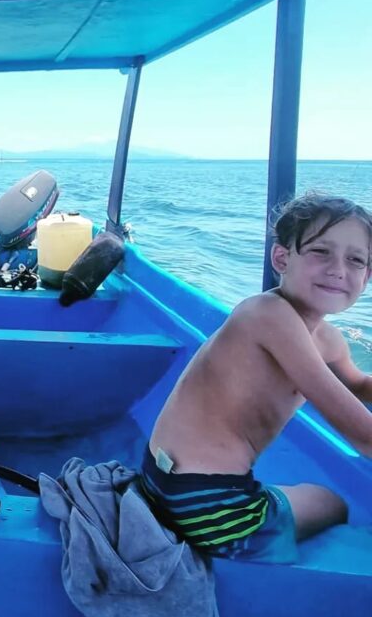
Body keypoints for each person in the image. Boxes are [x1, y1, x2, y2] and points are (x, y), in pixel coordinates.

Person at [142, 192, 372, 563]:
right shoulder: (267, 314)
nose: (338, 269)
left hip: (161, 482)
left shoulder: (327, 339)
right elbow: (364, 437)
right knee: (331, 504)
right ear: (282, 258)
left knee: (304, 494)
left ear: (367, 276)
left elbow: (359, 385)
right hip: (208, 509)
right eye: (320, 252)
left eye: (356, 260)